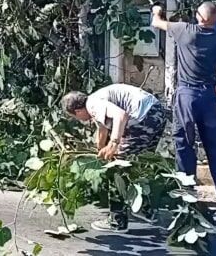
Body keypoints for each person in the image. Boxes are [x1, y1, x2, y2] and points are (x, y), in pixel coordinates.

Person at [151, 1, 216, 208]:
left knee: (184, 144)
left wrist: (157, 10)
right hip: (209, 98)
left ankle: (187, 194)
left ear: (198, 17)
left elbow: (157, 22)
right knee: (215, 147)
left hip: (187, 96)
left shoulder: (183, 30)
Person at [61, 83, 170, 232]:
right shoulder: (97, 100)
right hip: (156, 113)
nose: (79, 120)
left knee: (117, 168)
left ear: (78, 111)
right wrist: (98, 152)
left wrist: (114, 143)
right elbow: (102, 131)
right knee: (139, 165)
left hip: (141, 118)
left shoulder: (93, 103)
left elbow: (120, 115)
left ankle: (117, 220)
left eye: (75, 117)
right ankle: (145, 210)